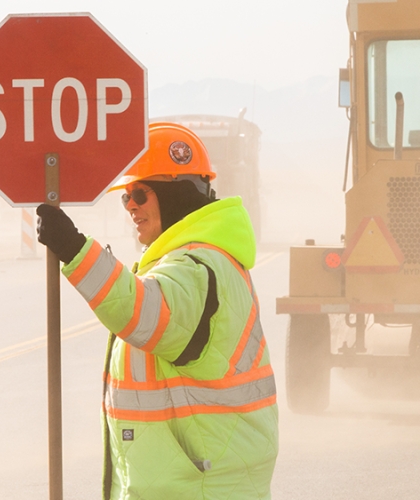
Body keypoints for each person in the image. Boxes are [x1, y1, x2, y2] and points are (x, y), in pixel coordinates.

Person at [35, 122, 278, 500]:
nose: (131, 205)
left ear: (176, 193)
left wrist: (75, 250)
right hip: (194, 481)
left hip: (200, 487)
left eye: (139, 193)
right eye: (126, 198)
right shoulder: (195, 260)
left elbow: (149, 313)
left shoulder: (197, 265)